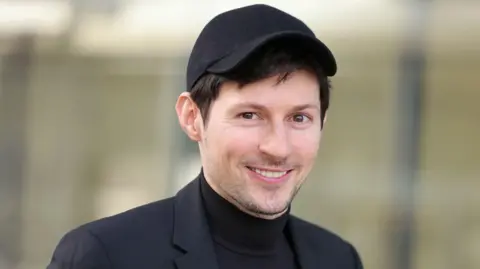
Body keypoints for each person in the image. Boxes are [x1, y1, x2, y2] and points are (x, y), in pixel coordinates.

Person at [47, 4, 363, 269]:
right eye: (249, 115)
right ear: (191, 118)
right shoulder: (105, 256)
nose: (278, 147)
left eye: (299, 118)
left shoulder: (339, 259)